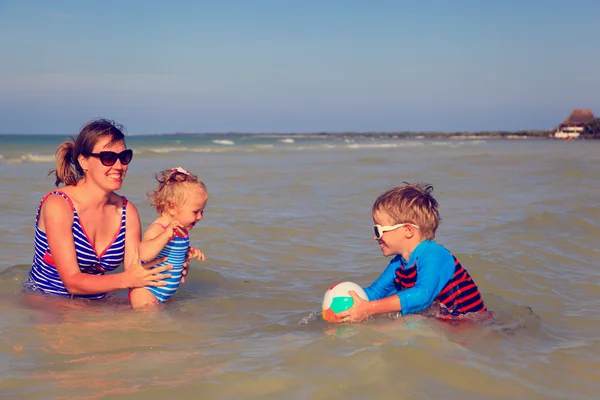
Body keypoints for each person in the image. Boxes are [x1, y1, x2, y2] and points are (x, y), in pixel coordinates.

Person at [25, 118, 175, 300]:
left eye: (124, 157)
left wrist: (174, 266)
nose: (119, 166)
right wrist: (126, 280)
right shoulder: (59, 205)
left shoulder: (127, 212)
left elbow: (135, 270)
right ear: (84, 162)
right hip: (48, 302)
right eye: (108, 157)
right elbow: (71, 282)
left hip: (95, 304)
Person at [335, 183, 487, 322]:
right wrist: (348, 301)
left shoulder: (435, 255)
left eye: (379, 230)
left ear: (408, 230)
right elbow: (374, 293)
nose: (375, 237)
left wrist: (369, 309)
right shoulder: (399, 265)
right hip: (447, 325)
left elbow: (422, 295)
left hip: (475, 325)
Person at [129, 167, 207, 308]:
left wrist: (188, 252)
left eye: (202, 211)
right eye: (196, 212)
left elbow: (171, 252)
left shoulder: (181, 231)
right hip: (146, 291)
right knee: (148, 322)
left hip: (164, 293)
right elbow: (144, 253)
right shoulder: (159, 229)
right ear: (172, 207)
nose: (200, 217)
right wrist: (165, 236)